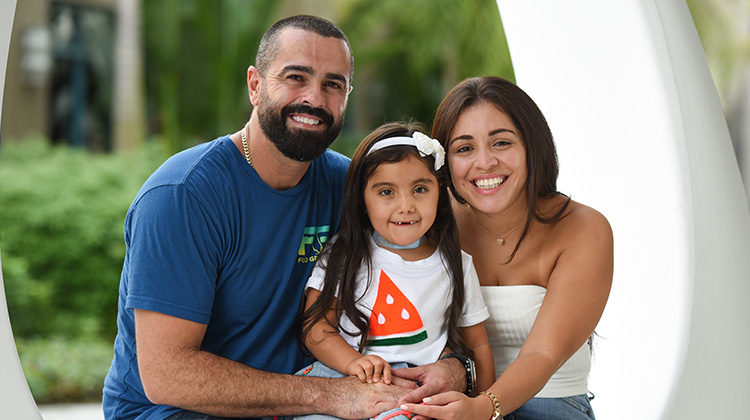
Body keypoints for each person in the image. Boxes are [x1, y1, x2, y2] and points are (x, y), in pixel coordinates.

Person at [102, 15, 466, 420]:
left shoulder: (351, 187)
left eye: (333, 84)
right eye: (296, 77)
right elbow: (167, 374)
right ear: (255, 85)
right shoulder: (183, 196)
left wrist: (454, 366)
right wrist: (331, 396)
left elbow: (427, 274)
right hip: (174, 412)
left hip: (297, 402)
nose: (314, 97)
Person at [401, 76, 614, 420]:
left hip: (552, 405)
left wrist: (482, 408)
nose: (484, 162)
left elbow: (543, 354)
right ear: (445, 161)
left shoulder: (583, 229)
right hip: (451, 402)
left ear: (533, 146)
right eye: (464, 148)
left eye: (501, 143)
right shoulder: (431, 221)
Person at [292, 122, 495, 420]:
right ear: (362, 200)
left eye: (420, 189)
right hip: (344, 379)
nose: (405, 206)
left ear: (440, 193)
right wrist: (353, 363)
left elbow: (478, 344)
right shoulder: (344, 254)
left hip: (416, 393)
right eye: (386, 191)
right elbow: (316, 329)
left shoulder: (457, 264)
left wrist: (487, 409)